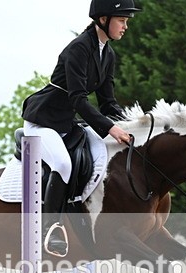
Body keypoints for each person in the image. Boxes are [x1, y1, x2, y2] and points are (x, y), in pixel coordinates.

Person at [21, 0, 140, 256]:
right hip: (42, 121)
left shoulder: (107, 53)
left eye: (127, 21)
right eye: (122, 20)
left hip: (67, 124)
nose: (125, 27)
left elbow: (108, 102)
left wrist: (135, 124)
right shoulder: (78, 49)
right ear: (104, 19)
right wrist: (110, 129)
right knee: (63, 164)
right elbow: (78, 99)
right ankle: (50, 229)